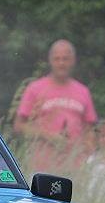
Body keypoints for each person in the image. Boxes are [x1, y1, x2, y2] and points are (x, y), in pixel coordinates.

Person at [14, 39, 97, 174]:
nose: (61, 63)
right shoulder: (35, 88)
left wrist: (88, 156)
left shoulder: (83, 91)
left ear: (73, 61)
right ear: (50, 61)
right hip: (42, 168)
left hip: (75, 168)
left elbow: (90, 130)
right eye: (57, 59)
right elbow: (19, 126)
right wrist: (48, 136)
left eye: (66, 59)